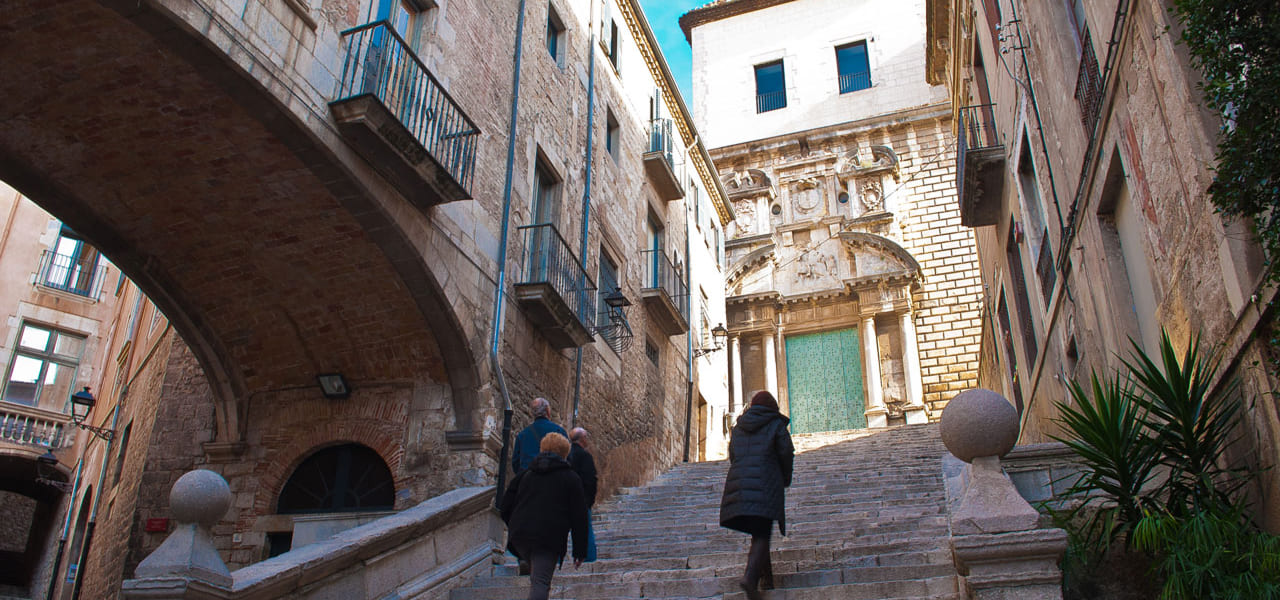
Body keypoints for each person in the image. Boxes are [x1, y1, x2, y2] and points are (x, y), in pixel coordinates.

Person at [719, 390, 794, 600]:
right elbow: (786, 452)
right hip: (766, 483)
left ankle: (767, 579)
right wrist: (785, 477)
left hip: (741, 484)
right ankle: (750, 578)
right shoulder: (775, 424)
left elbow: (733, 454)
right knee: (762, 532)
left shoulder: (739, 427)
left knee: (760, 531)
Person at [500, 432, 589, 600]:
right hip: (548, 538)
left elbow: (505, 506)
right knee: (541, 582)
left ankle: (527, 561)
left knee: (537, 575)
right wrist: (580, 551)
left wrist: (515, 524)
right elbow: (579, 517)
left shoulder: (525, 475)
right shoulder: (570, 478)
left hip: (521, 535)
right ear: (565, 453)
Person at [512, 397, 567, 475]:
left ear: (532, 413)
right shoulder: (559, 431)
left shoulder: (522, 435)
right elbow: (568, 457)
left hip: (528, 477)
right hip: (552, 477)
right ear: (548, 411)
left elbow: (515, 462)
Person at [568, 427, 598, 562]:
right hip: (582, 500)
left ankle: (556, 559)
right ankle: (588, 558)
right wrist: (589, 500)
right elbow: (590, 480)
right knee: (585, 530)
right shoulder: (585, 456)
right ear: (582, 439)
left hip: (565, 500)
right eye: (586, 437)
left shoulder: (566, 455)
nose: (587, 440)